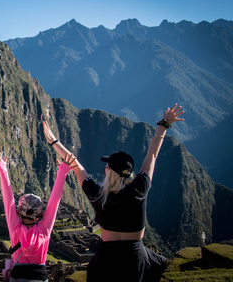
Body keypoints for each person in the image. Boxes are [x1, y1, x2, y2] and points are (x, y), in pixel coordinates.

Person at [43, 104, 185, 282]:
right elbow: (152, 155)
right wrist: (163, 125)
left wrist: (54, 142)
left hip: (107, 256)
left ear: (108, 171)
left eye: (107, 165)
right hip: (134, 255)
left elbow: (76, 165)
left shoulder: (99, 196)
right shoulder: (139, 189)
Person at [0, 124, 77, 282]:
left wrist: (2, 170)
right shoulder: (44, 228)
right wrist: (62, 172)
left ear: (19, 211)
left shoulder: (15, 227)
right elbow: (55, 201)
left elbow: (8, 201)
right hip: (39, 276)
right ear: (40, 213)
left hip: (17, 276)